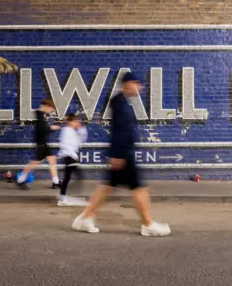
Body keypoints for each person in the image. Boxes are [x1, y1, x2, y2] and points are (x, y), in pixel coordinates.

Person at [71, 72, 171, 236]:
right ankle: (148, 225)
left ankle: (84, 218)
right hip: (123, 153)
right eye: (137, 83)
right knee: (139, 187)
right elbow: (118, 129)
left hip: (121, 152)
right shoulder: (119, 102)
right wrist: (117, 154)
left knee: (107, 187)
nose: (140, 88)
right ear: (128, 83)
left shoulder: (123, 102)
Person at [17, 98, 61, 190]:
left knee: (51, 160)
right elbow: (42, 130)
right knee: (34, 163)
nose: (51, 111)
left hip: (43, 142)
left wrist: (49, 127)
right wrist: (51, 128)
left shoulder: (41, 115)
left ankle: (55, 181)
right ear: (46, 106)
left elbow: (41, 130)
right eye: (50, 108)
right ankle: (21, 180)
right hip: (41, 143)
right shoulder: (40, 116)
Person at [57, 113, 89, 207]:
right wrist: (73, 155)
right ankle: (63, 197)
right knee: (74, 177)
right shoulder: (66, 131)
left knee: (69, 177)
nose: (76, 123)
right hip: (69, 157)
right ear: (70, 122)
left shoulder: (72, 131)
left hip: (71, 157)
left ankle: (63, 196)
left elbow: (81, 140)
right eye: (75, 121)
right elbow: (65, 145)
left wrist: (81, 128)